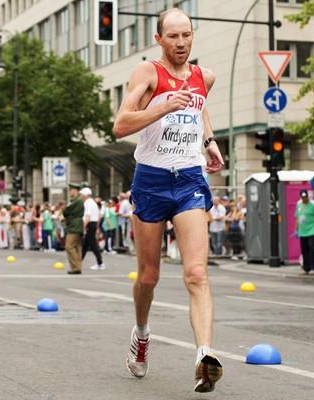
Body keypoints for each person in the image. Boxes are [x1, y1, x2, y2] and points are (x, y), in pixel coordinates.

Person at [112, 8, 224, 392]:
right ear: (159, 39)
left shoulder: (202, 76)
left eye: (186, 36)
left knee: (196, 273)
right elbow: (121, 124)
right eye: (173, 37)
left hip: (190, 179)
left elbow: (199, 106)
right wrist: (162, 105)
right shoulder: (148, 72)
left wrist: (209, 142)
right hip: (152, 180)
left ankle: (204, 356)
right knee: (149, 276)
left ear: (193, 37)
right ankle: (141, 334)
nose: (180, 43)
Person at [294, 189, 314, 274]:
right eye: (303, 198)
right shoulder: (299, 204)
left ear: (307, 196)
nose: (304, 199)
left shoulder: (313, 204)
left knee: (311, 248)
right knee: (304, 250)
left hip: (312, 230)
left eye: (305, 197)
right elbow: (297, 218)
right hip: (302, 231)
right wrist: (296, 229)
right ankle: (306, 268)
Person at [80, 187, 104, 270]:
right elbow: (99, 215)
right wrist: (97, 226)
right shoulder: (92, 202)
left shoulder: (87, 203)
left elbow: (88, 216)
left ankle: (100, 263)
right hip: (93, 223)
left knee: (93, 245)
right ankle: (78, 262)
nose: (81, 196)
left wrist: (82, 227)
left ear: (85, 195)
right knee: (85, 245)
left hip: (90, 224)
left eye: (82, 194)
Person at [63, 183, 84, 274]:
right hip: (76, 225)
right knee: (77, 247)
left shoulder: (77, 201)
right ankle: (77, 267)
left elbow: (66, 211)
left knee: (69, 246)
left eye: (71, 190)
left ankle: (75, 267)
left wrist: (65, 211)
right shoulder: (77, 200)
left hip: (74, 226)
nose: (70, 192)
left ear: (75, 191)